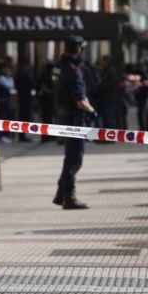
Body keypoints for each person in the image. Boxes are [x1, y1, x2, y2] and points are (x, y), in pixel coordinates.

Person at [52, 36, 96, 210]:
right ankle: (69, 197)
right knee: (74, 159)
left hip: (63, 116)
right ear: (78, 49)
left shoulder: (59, 67)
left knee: (69, 157)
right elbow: (80, 100)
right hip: (74, 119)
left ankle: (61, 194)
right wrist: (92, 112)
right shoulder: (73, 70)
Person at [0, 57, 18, 142]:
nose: (8, 70)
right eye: (6, 69)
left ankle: (8, 135)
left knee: (9, 117)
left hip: (9, 101)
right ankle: (3, 135)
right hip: (3, 101)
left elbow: (12, 86)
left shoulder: (8, 78)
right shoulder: (1, 78)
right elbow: (9, 86)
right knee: (3, 118)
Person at [15, 57, 36, 142]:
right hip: (25, 98)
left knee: (22, 117)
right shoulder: (25, 74)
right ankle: (22, 136)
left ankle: (22, 135)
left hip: (22, 98)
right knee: (24, 117)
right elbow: (31, 84)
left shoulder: (19, 74)